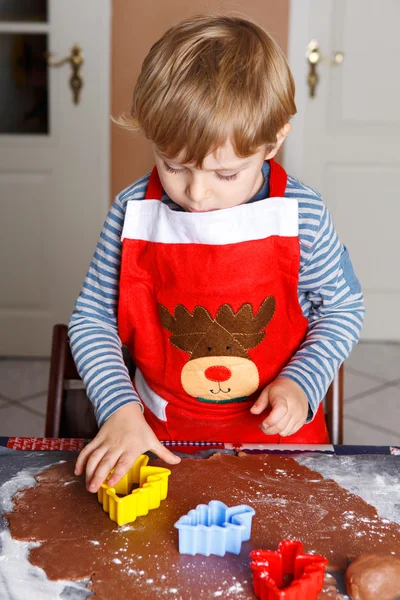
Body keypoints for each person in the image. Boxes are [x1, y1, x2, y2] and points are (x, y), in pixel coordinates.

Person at [70, 14, 364, 493]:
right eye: (174, 166)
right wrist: (119, 411)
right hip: (157, 433)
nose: (197, 193)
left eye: (225, 174)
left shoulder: (302, 214)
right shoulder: (132, 212)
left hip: (277, 437)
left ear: (273, 140)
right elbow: (92, 321)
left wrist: (302, 384)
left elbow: (343, 308)